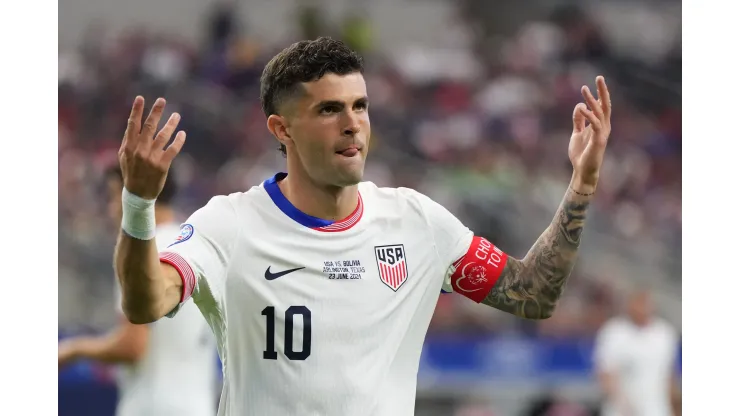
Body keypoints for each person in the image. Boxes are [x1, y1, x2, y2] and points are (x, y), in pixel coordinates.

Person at [114, 37, 613, 416]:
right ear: (281, 129)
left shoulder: (416, 223)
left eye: (360, 106)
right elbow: (145, 303)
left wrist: (582, 185)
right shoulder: (230, 224)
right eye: (329, 109)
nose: (352, 123)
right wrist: (139, 202)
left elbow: (532, 292)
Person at [58, 166, 217, 416]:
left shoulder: (139, 253)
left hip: (152, 406)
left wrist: (74, 349)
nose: (111, 209)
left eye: (113, 196)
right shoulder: (197, 246)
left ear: (134, 194)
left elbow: (132, 346)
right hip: (198, 407)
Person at [593, 289, 680, 416]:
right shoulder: (613, 331)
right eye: (638, 303)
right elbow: (606, 373)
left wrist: (674, 408)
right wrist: (622, 404)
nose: (642, 308)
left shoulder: (665, 333)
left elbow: (669, 374)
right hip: (621, 410)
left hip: (656, 409)